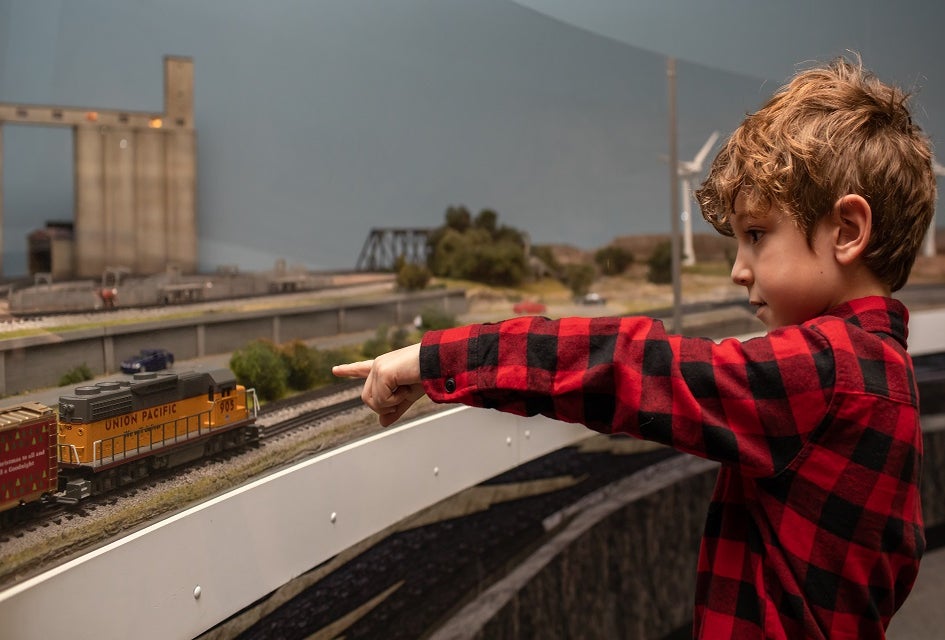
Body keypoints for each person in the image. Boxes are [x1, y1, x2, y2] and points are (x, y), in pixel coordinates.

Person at [333, 56, 935, 639]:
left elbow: (625, 367)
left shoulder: (830, 374)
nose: (738, 271)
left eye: (756, 236)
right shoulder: (884, 372)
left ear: (847, 231)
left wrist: (434, 359)